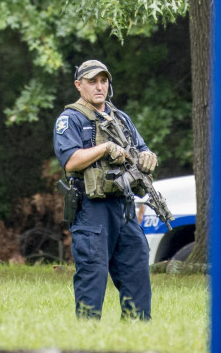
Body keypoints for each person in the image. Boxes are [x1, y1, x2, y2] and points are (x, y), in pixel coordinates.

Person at [53, 59, 158, 319]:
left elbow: (142, 149)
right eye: (92, 81)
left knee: (137, 272)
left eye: (104, 81)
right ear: (79, 85)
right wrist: (104, 148)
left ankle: (137, 335)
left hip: (124, 207)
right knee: (92, 276)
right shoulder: (70, 119)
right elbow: (70, 162)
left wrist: (149, 157)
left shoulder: (121, 118)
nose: (99, 86)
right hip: (92, 210)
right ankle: (88, 340)